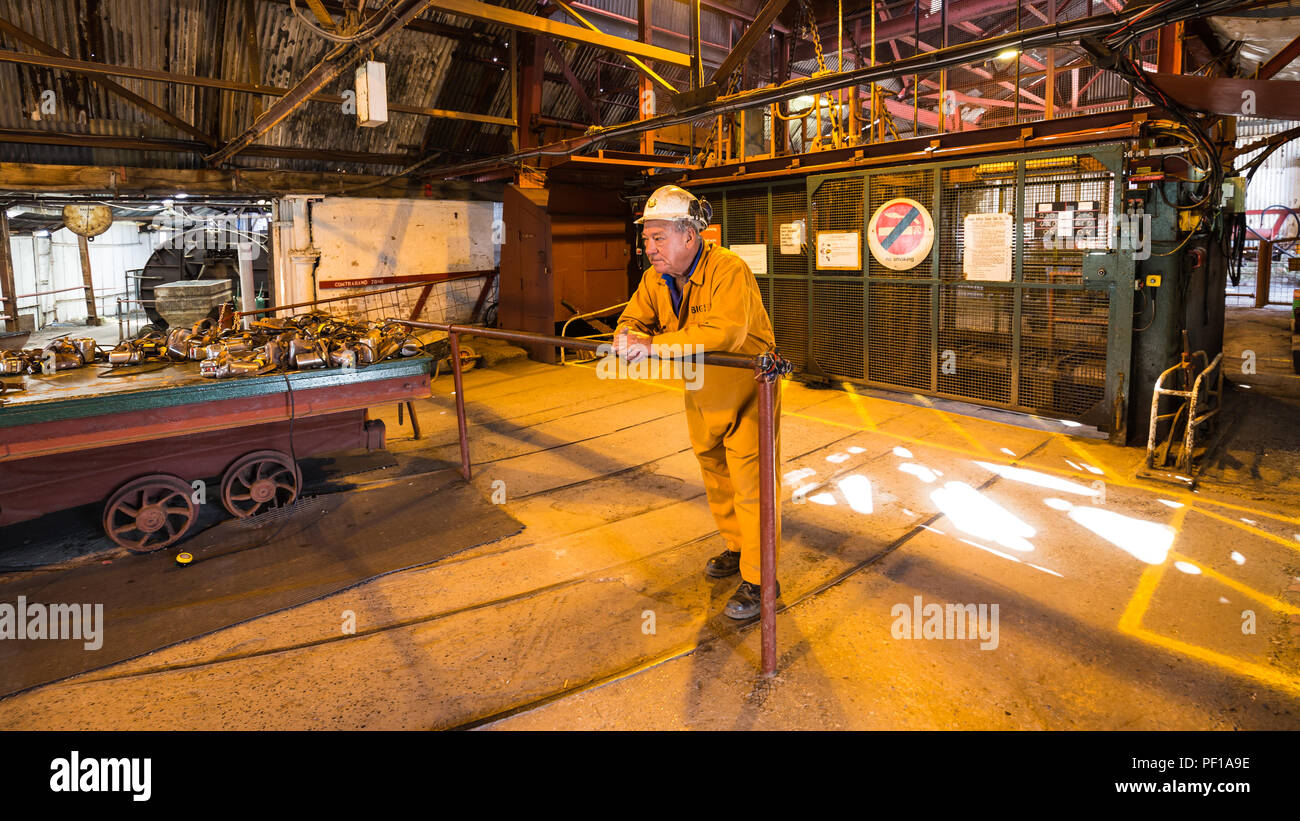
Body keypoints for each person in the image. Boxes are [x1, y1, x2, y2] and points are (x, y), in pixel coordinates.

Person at [613, 184, 782, 619]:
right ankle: (737, 547)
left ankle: (762, 580)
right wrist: (626, 331)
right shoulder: (656, 278)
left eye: (658, 237)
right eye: (646, 238)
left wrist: (652, 346)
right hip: (700, 386)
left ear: (690, 236)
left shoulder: (729, 269)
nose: (649, 248)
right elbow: (634, 314)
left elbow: (725, 333)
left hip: (747, 388)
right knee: (714, 471)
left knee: (752, 485)